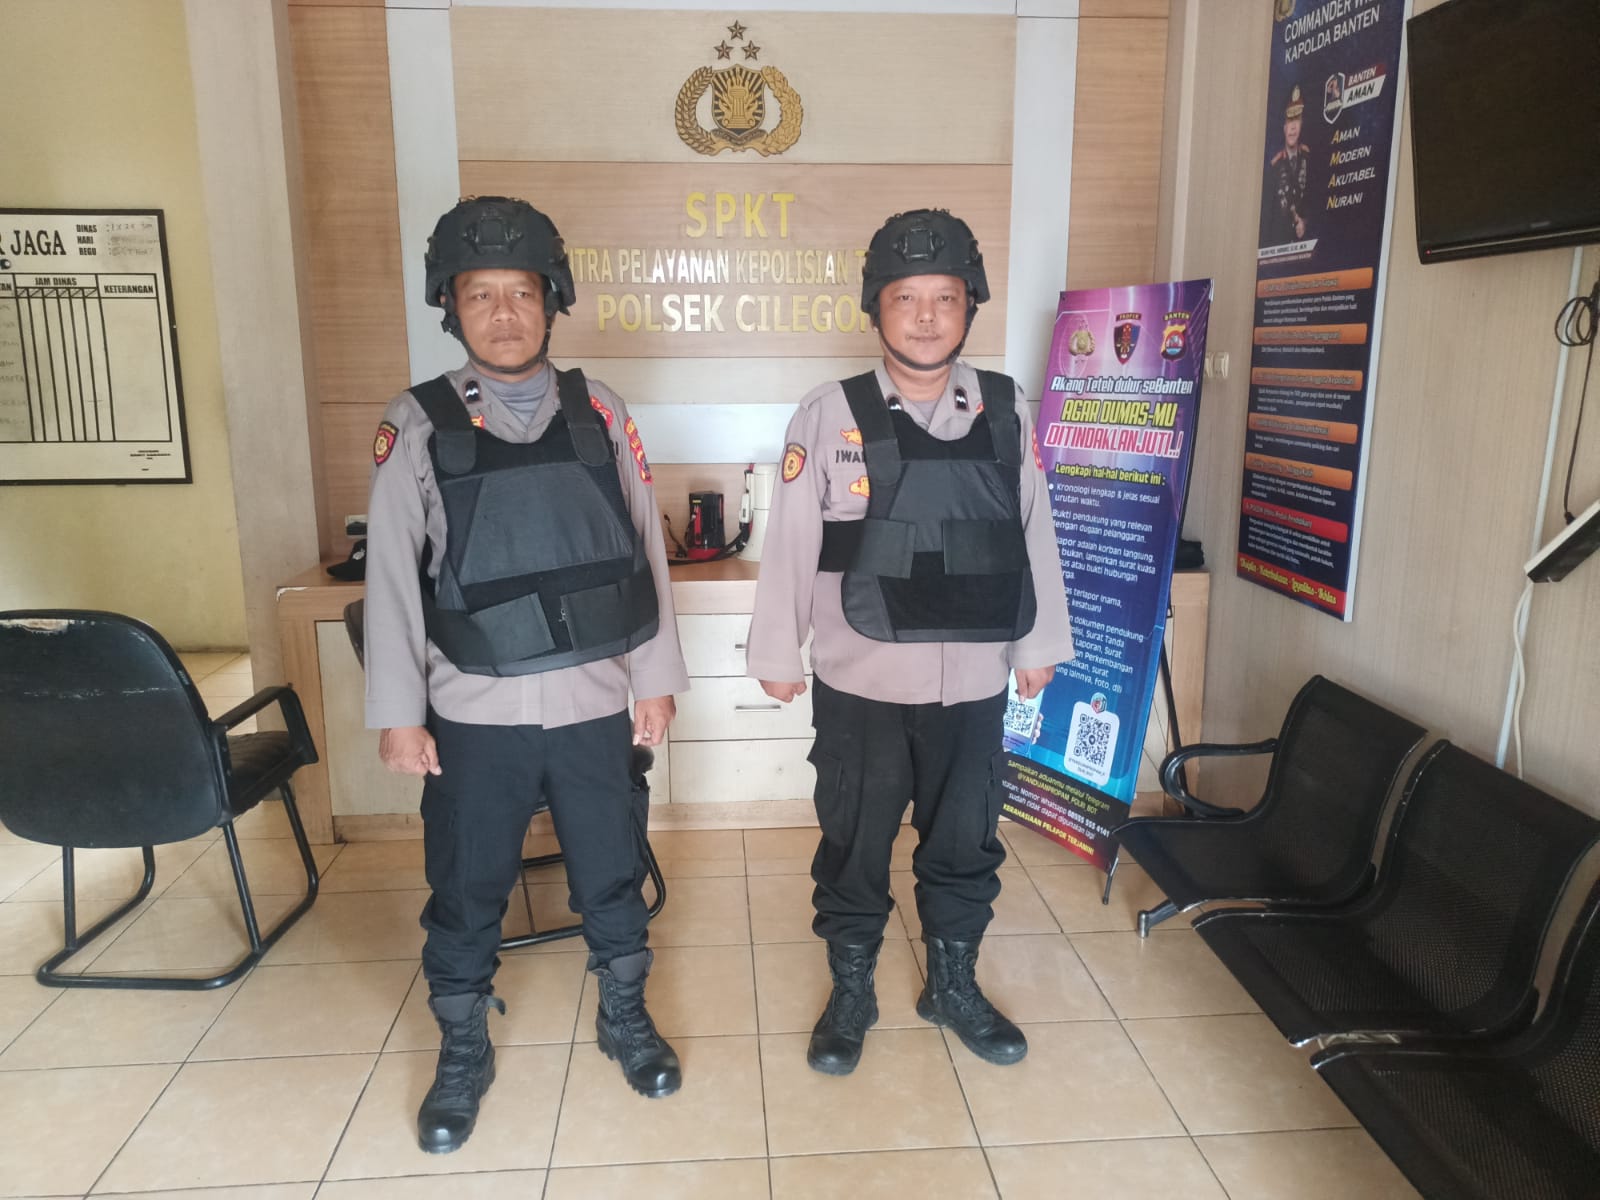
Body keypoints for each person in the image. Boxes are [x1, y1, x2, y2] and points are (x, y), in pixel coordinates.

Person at [363, 196, 689, 1153]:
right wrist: (399, 714)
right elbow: (392, 582)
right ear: (451, 306)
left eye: (520, 293)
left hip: (593, 701)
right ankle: (462, 1045)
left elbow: (645, 553)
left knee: (611, 869)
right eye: (480, 295)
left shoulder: (602, 412)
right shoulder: (415, 424)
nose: (503, 313)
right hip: (474, 710)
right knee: (467, 884)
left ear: (551, 302)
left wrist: (655, 679)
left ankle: (625, 1014)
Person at [745, 209, 1074, 1076]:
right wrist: (777, 653)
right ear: (876, 307)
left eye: (946, 298)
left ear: (969, 306)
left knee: (965, 837)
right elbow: (793, 542)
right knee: (855, 839)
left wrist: (1038, 642)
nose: (927, 317)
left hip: (974, 678)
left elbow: (1032, 530)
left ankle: (952, 985)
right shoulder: (828, 415)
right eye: (906, 298)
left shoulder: (1005, 407)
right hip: (862, 681)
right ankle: (852, 988)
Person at [1265, 84, 1310, 244]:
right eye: (1289, 121)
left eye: (1297, 120)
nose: (1293, 127)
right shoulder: (1274, 167)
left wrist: (1304, 222)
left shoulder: (1309, 159)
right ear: (1284, 128)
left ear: (1302, 124)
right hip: (1280, 246)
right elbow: (1268, 218)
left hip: (1305, 248)